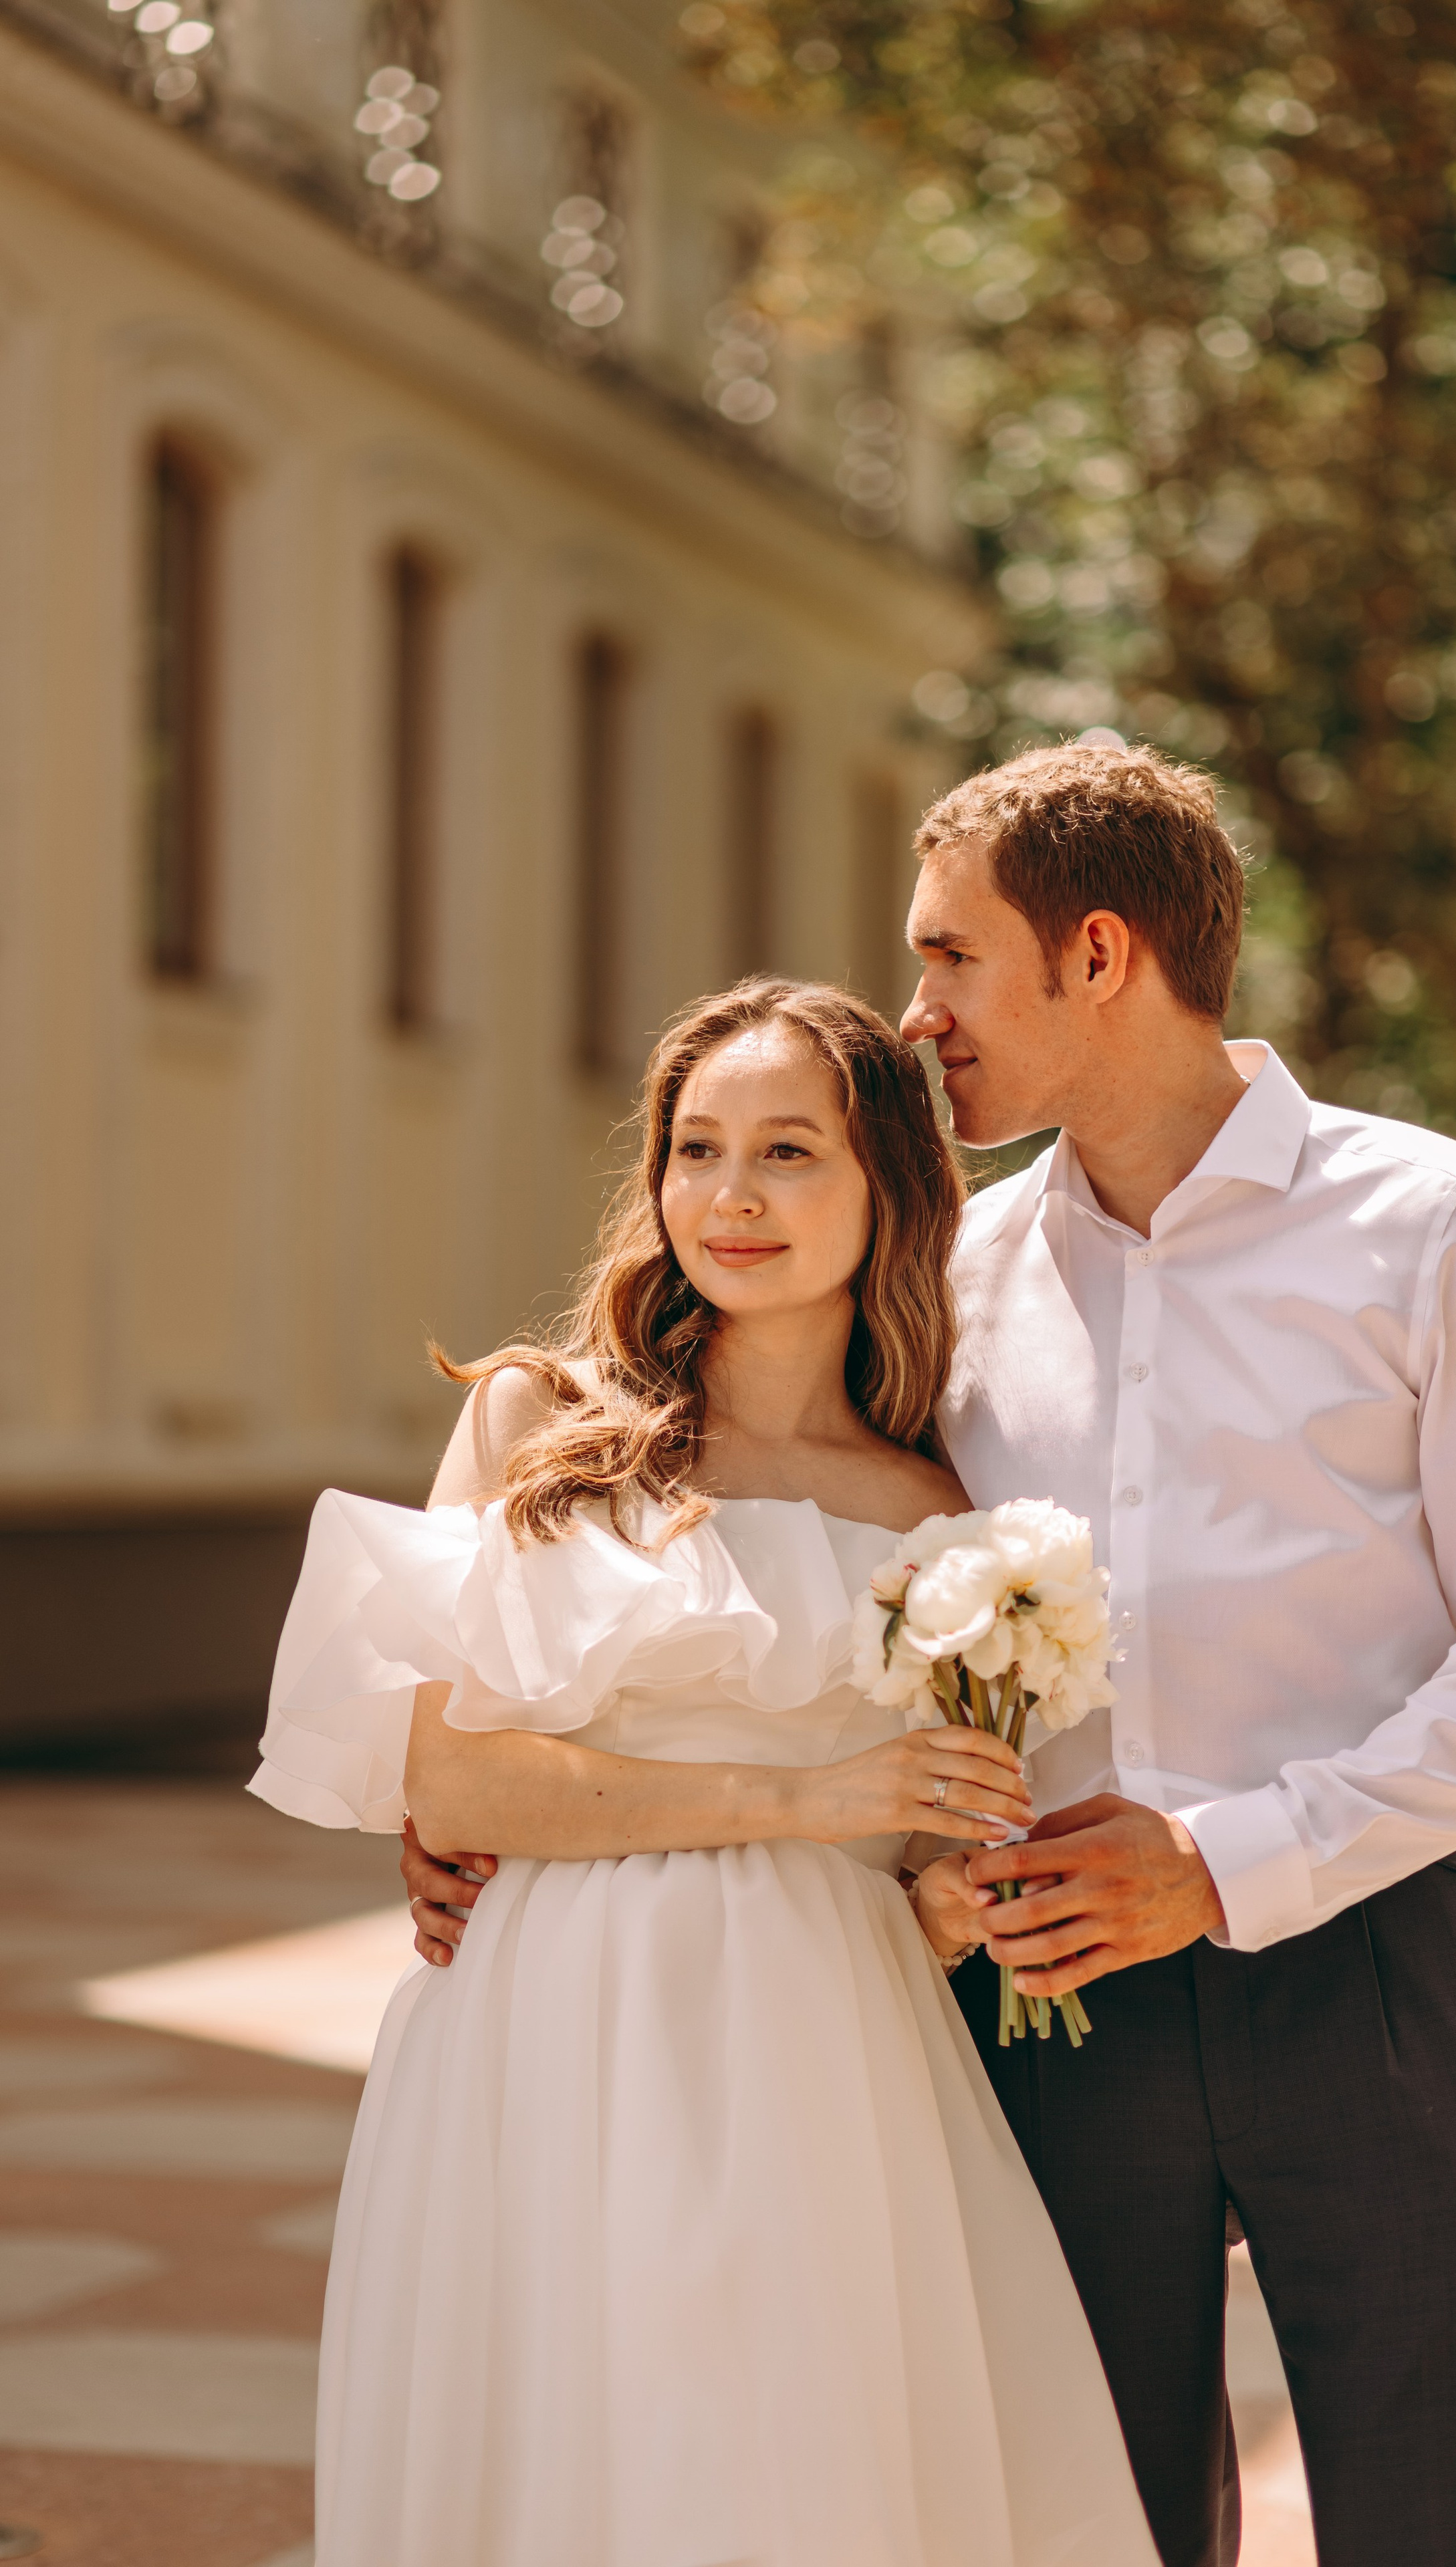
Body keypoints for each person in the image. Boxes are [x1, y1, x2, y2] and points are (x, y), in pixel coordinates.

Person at [407, 742, 1456, 2567]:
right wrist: (490, 1807)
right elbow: (770, 1548)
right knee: (1068, 2519)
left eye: (950, 959)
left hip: (1374, 1976)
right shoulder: (951, 1281)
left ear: (1102, 956)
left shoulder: (1438, 1224)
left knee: (1455, 2519)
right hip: (1039, 2005)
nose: (917, 1016)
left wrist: (1218, 1864)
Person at [251, 979, 1160, 2567]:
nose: (729, 1198)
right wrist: (814, 1805)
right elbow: (455, 1786)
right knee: (552, 2458)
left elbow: (923, 1867)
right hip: (538, 2030)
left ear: (887, 1183)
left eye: (789, 1152)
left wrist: (949, 1884)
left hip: (824, 2044)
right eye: (695, 1149)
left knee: (768, 2475)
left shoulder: (930, 1510)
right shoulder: (542, 1425)